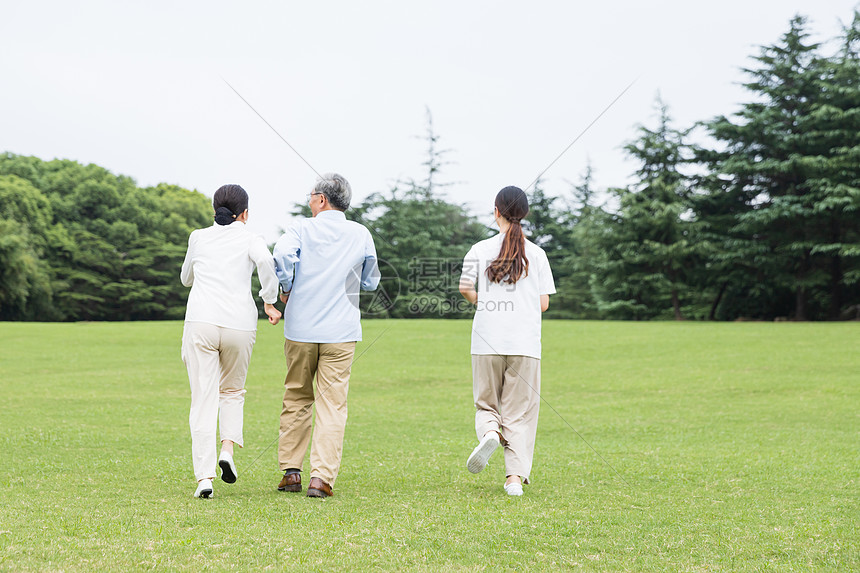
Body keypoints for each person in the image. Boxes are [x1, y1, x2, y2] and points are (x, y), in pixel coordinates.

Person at [272, 173, 379, 498]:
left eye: (311, 196)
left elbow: (282, 256)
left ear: (321, 199)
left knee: (297, 396)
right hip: (341, 332)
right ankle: (321, 479)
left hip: (301, 328)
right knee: (332, 404)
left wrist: (287, 288)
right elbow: (371, 281)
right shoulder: (360, 232)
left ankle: (292, 472)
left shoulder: (300, 229)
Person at [180, 184, 282, 498]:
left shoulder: (198, 236)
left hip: (201, 323)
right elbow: (265, 263)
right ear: (245, 213)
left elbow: (186, 278)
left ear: (215, 210)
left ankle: (204, 480)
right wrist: (268, 300)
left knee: (203, 398)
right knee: (233, 391)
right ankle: (227, 450)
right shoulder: (251, 238)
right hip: (240, 324)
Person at [458, 185, 556, 496]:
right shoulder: (537, 253)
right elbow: (543, 304)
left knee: (486, 403)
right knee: (520, 413)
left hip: (486, 340)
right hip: (525, 345)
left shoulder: (479, 249)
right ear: (524, 214)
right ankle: (514, 478)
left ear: (496, 211)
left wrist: (483, 302)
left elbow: (464, 287)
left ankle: (489, 431)